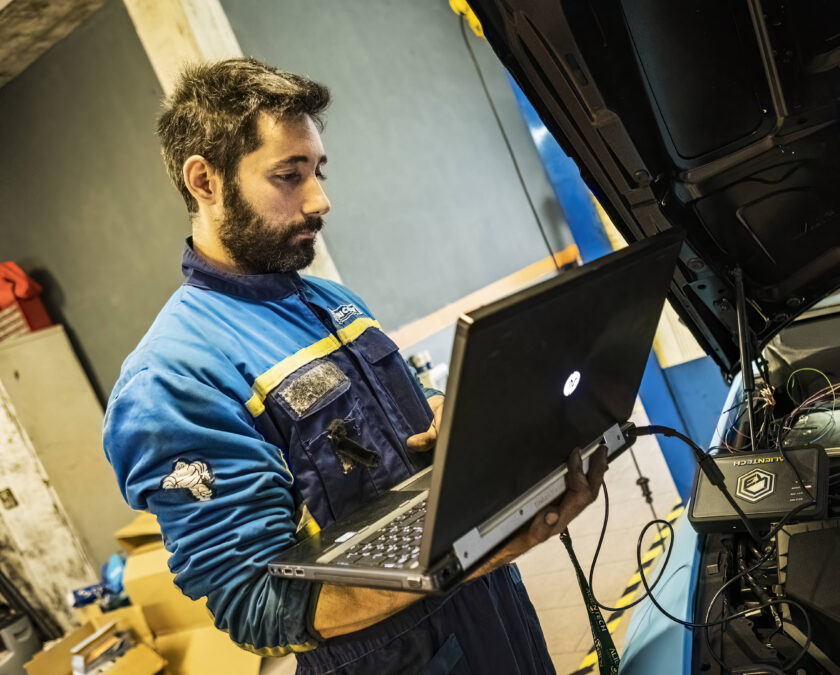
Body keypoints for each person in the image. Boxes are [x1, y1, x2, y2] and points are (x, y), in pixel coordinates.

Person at [102, 58, 607, 674]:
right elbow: (257, 605)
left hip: (496, 622)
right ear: (205, 181)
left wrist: (452, 418)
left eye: (318, 171)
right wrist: (468, 556)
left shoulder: (332, 304)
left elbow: (404, 421)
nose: (321, 200)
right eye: (289, 175)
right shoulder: (172, 381)